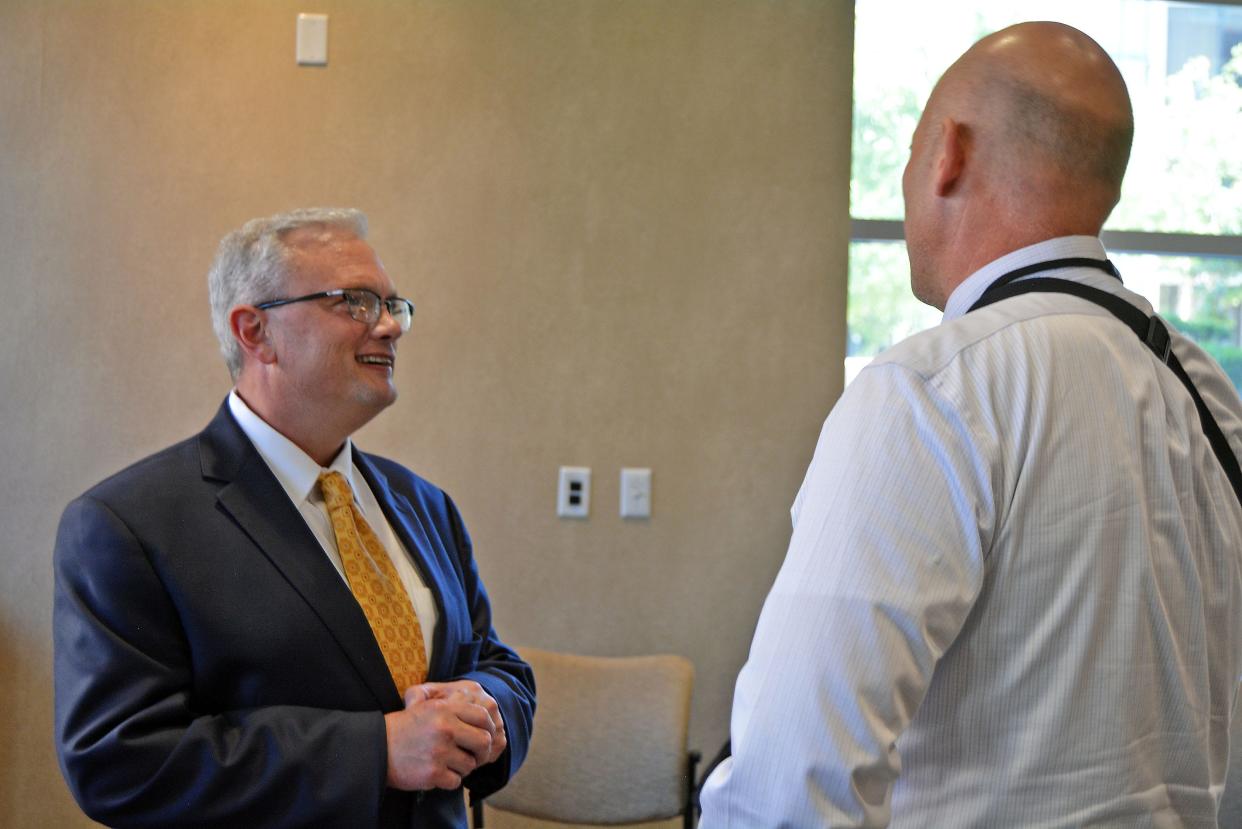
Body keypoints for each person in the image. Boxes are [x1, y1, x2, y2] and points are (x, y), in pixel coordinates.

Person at [700, 22, 1242, 827]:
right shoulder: (1208, 398)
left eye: (912, 149)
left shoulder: (933, 392)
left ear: (946, 152)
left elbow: (791, 788)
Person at [53, 208, 535, 828]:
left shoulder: (426, 505)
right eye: (355, 302)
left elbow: (492, 663)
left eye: (393, 305)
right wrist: (376, 753)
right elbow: (118, 763)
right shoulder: (126, 526)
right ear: (255, 332)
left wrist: (486, 707)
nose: (390, 326)